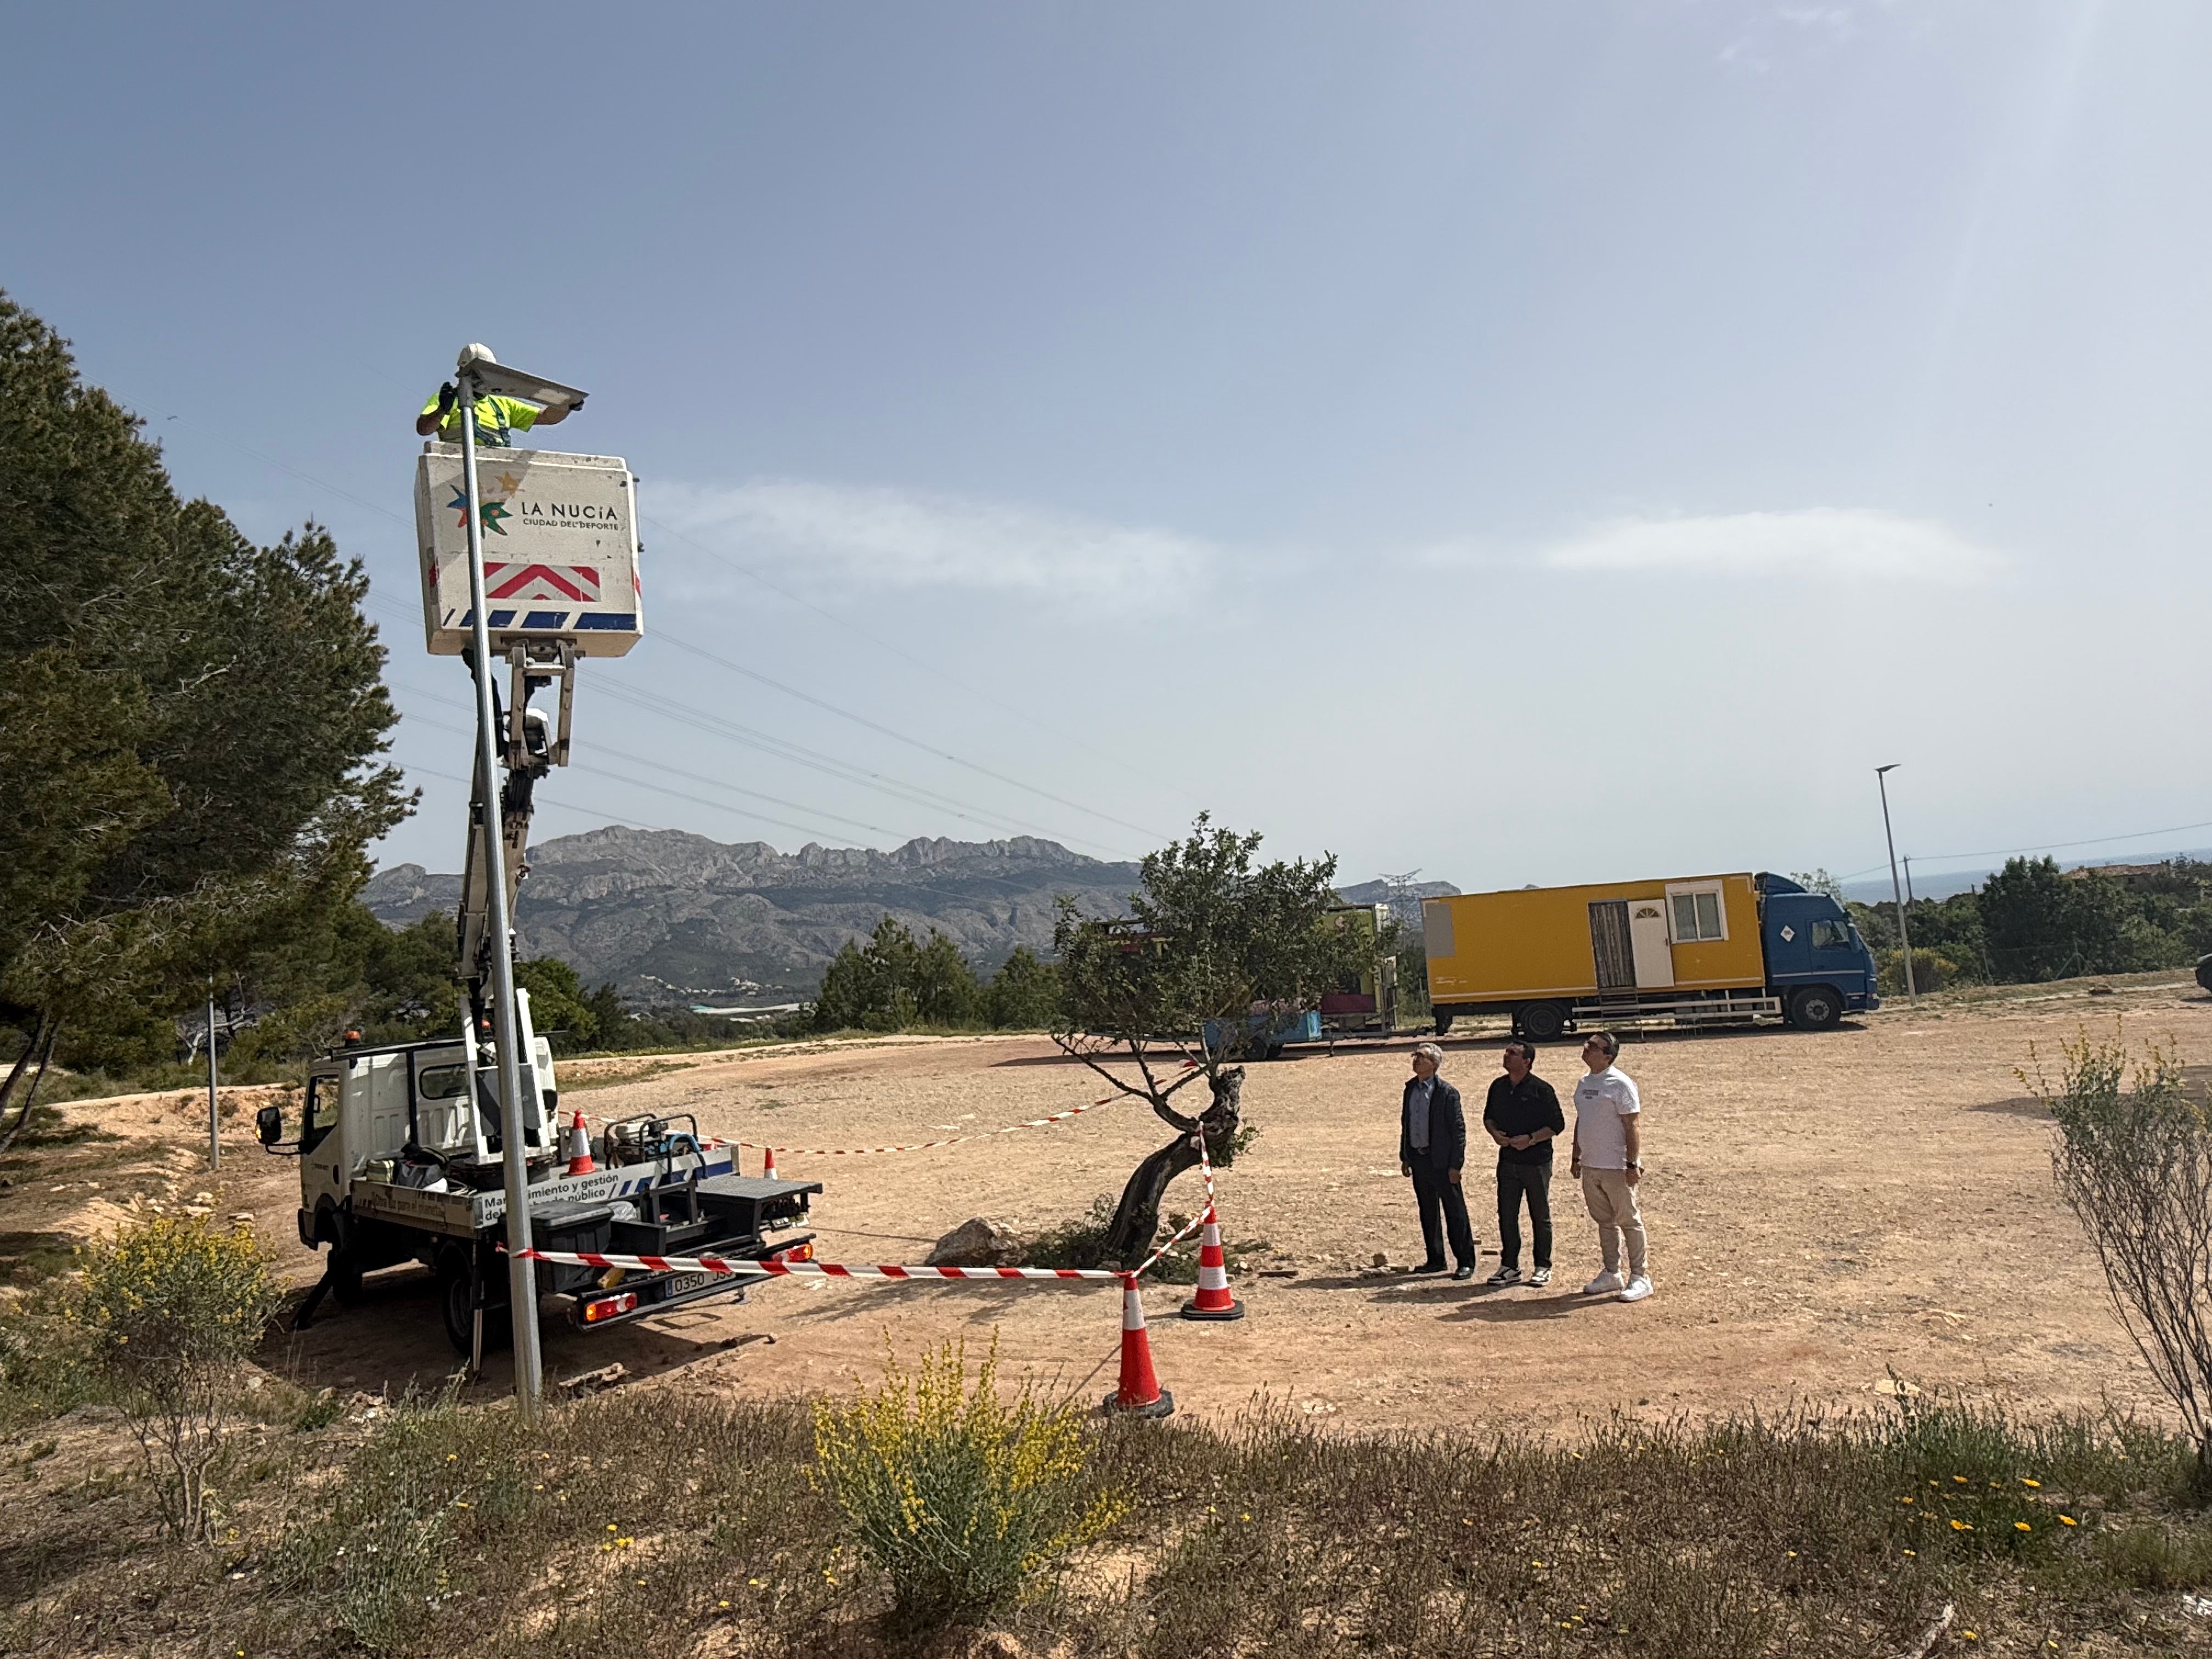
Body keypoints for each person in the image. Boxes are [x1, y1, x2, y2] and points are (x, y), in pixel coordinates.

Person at [1568, 1030, 1651, 1302]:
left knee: (1629, 1220)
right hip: (1591, 1165)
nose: (1586, 1047)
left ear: (1608, 1056)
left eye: (1593, 1046)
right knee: (1604, 1221)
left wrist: (1632, 1163)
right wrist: (1576, 1157)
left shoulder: (1621, 1084)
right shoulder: (1584, 1083)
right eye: (1588, 1043)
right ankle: (1612, 1272)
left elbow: (1632, 1125)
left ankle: (1640, 1276)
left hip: (1616, 1166)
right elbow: (1582, 1120)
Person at [1482, 1037, 1564, 1286]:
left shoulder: (1542, 1089)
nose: (1506, 1056)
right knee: (1507, 1214)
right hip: (1508, 1161)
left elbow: (1557, 1125)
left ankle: (1543, 1266)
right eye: (1506, 1052)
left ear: (1527, 1061)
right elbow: (1489, 1117)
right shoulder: (1498, 1087)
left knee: (1540, 1215)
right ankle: (1510, 1266)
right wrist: (1495, 1134)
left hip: (1536, 1162)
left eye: (1513, 1053)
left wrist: (1531, 1139)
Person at [1399, 1042, 1478, 1280]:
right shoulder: (1410, 1089)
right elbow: (1406, 1124)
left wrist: (1456, 1165)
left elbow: (1458, 1130)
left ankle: (1465, 1262)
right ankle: (1435, 1259)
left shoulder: (1447, 1093)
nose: (1416, 1060)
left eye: (1421, 1056)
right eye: (1415, 1055)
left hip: (1442, 1161)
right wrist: (1405, 1156)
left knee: (1455, 1212)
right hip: (1419, 1159)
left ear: (1433, 1063)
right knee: (1428, 1211)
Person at [415, 381, 574, 448]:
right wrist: (442, 410)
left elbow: (547, 417)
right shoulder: (447, 399)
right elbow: (424, 429)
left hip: (495, 473)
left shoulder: (502, 404)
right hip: (455, 469)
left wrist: (566, 404)